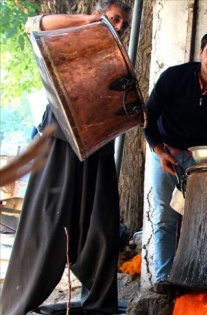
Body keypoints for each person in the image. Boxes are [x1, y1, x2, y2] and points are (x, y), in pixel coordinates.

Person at [0, 1, 132, 314]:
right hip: (59, 140)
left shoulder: (116, 59)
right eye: (113, 19)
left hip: (98, 145)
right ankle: (15, 304)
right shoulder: (72, 36)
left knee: (101, 225)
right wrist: (88, 20)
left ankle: (100, 305)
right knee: (46, 220)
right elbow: (34, 24)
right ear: (99, 15)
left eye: (123, 24)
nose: (118, 27)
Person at [143, 29, 207, 293]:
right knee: (166, 216)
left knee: (199, 218)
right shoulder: (174, 78)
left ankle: (194, 274)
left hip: (199, 159)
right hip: (164, 151)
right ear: (201, 52)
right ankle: (164, 277)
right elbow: (147, 118)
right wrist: (158, 150)